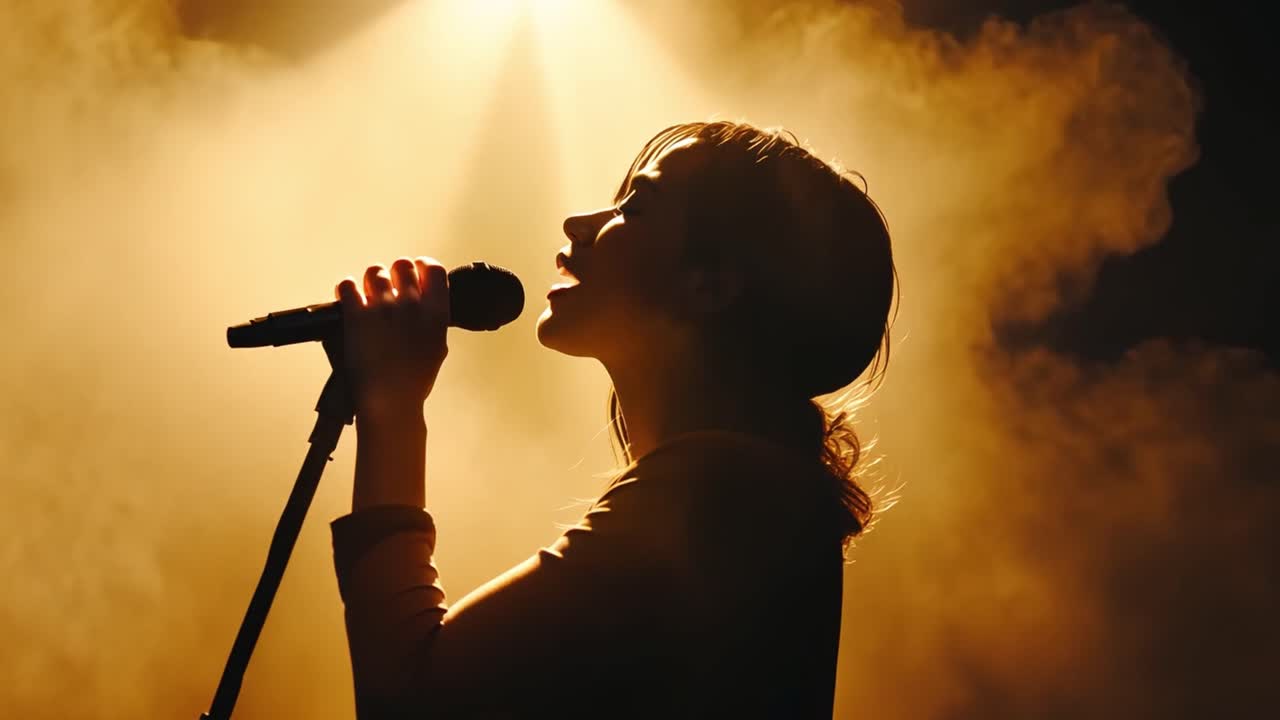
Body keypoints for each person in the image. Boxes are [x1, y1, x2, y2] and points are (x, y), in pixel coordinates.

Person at [329, 120, 897, 718]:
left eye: (636, 206)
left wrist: (393, 406)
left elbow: (408, 699)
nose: (579, 224)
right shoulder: (757, 495)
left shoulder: (721, 498)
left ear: (711, 284)